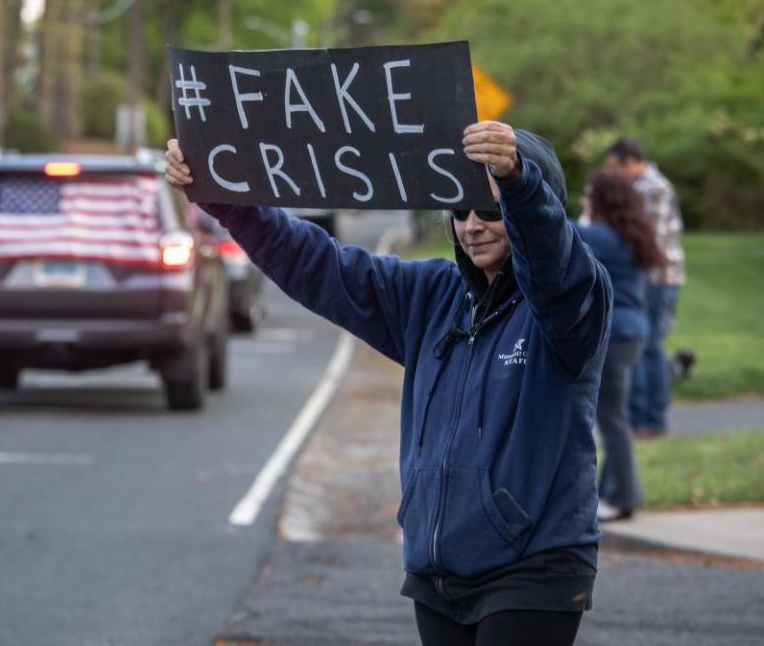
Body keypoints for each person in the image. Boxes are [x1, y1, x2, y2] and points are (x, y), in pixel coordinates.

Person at [166, 121, 612, 646]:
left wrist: (519, 183)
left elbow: (554, 263)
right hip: (437, 572)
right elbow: (317, 264)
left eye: (491, 211)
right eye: (460, 210)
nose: (473, 226)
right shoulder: (430, 296)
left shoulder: (572, 306)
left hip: (534, 569)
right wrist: (227, 200)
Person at [578, 170, 666, 521]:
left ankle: (625, 497)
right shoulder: (629, 235)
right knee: (617, 416)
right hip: (633, 332)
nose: (584, 199)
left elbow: (551, 231)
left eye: (589, 194)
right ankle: (609, 492)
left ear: (602, 200)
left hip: (614, 334)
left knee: (611, 419)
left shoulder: (599, 235)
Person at [606, 138, 685, 438]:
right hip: (643, 279)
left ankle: (652, 420)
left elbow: (648, 242)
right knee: (644, 346)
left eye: (615, 167)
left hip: (657, 279)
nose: (613, 174)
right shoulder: (640, 187)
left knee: (649, 347)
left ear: (630, 162)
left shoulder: (654, 189)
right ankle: (641, 418)